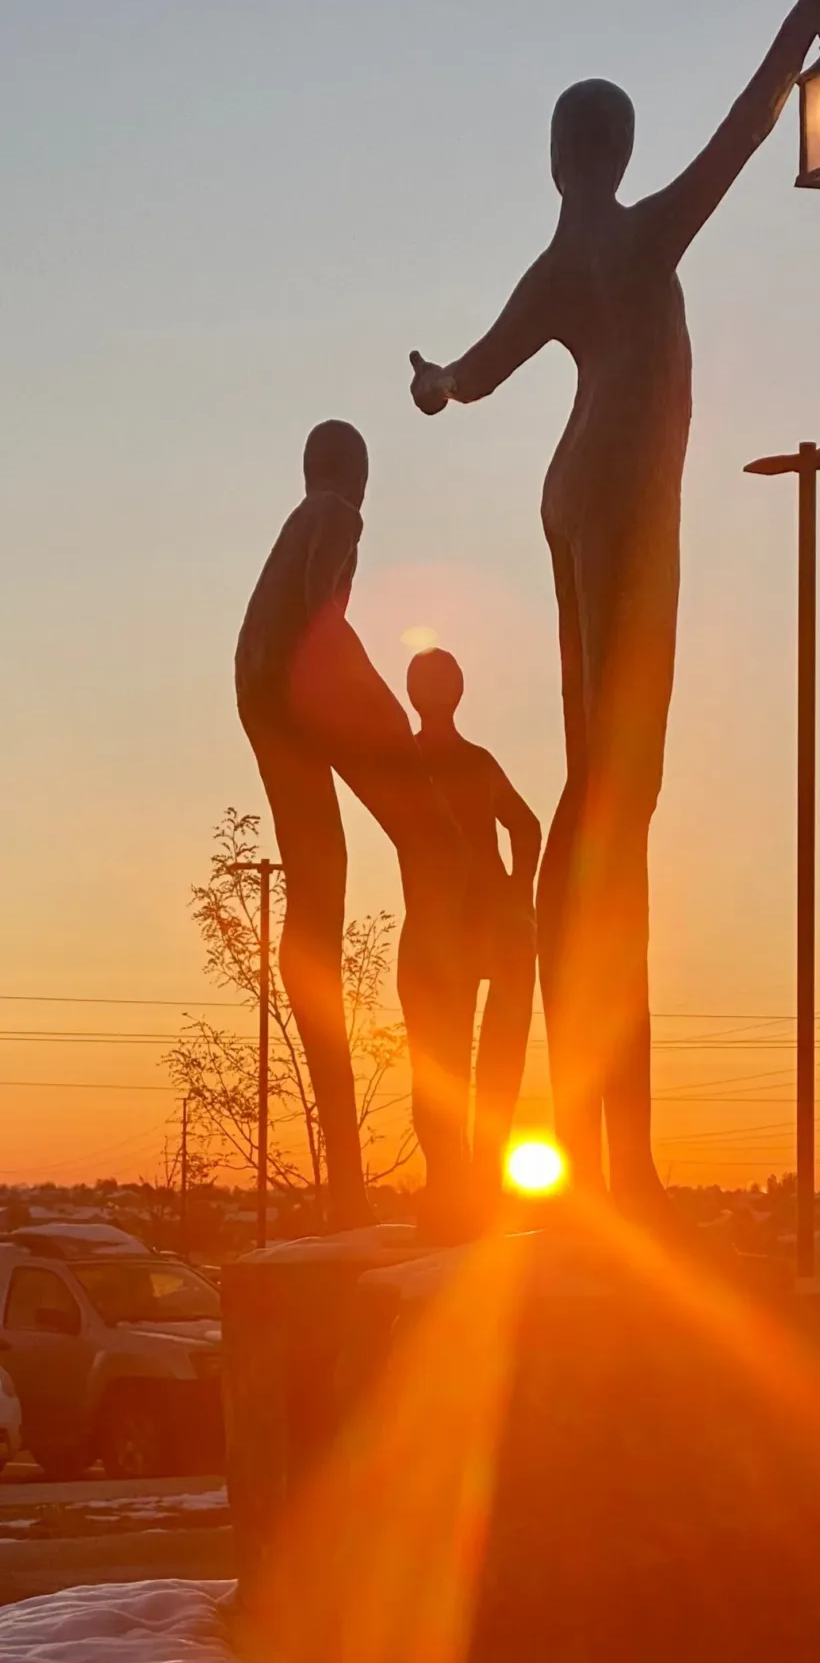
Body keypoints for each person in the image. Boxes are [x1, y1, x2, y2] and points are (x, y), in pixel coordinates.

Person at [409, 0, 820, 1227]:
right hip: (616, 505)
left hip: (568, 497)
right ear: (613, 154)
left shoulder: (560, 261)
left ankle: (619, 1157)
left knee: (605, 803)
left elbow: (474, 371)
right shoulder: (638, 236)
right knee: (619, 804)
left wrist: (434, 383)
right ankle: (625, 1164)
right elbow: (743, 130)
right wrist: (802, 29)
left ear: (560, 157)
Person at [235, 420, 468, 1231]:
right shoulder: (336, 511)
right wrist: (378, 704)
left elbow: (296, 619)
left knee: (318, 898)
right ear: (351, 473)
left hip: (260, 694)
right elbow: (316, 617)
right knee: (427, 838)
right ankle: (447, 979)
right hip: (299, 687)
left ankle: (344, 1183)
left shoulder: (303, 515)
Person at [407, 648, 541, 1204]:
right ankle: (462, 1180)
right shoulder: (441, 761)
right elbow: (526, 827)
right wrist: (515, 889)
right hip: (461, 928)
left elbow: (526, 826)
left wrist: (515, 892)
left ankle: (469, 1180)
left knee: (451, 1064)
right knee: (452, 1064)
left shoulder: (411, 761)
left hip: (463, 929)